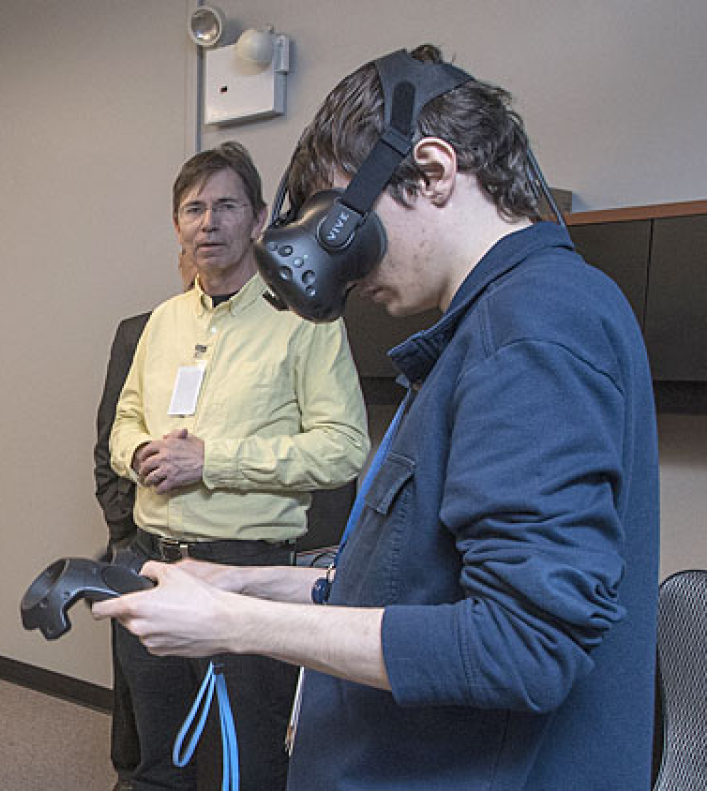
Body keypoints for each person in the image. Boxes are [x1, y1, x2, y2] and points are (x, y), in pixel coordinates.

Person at [95, 45, 659, 790]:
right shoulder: (490, 326)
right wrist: (240, 583)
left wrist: (240, 626)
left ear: (431, 171)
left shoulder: (533, 327)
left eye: (343, 225)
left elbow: (522, 644)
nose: (348, 273)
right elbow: (422, 584)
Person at [107, 142, 368, 790]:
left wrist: (214, 461)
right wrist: (138, 452)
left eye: (226, 205)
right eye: (193, 208)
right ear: (177, 225)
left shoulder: (305, 319)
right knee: (157, 763)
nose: (208, 222)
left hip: (245, 572)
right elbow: (124, 421)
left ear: (257, 220)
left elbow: (343, 446)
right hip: (150, 563)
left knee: (241, 764)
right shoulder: (161, 323)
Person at [93, 248, 197, 791]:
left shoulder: (271, 330)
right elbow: (110, 439)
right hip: (142, 542)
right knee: (140, 692)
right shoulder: (142, 331)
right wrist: (121, 538)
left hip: (217, 550)